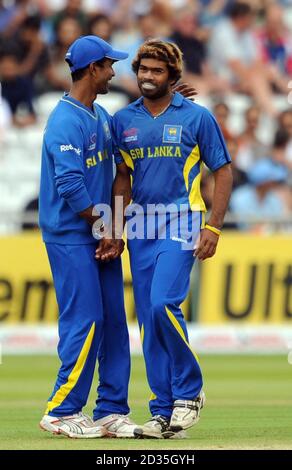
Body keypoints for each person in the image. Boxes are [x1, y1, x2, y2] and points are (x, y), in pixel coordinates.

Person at [96, 39, 233, 439]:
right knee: (149, 323)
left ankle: (189, 393)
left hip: (184, 220)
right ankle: (163, 411)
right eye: (143, 70)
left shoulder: (197, 117)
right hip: (141, 228)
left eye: (157, 71)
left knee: (163, 304)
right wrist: (116, 229)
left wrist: (214, 225)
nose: (147, 77)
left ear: (173, 76)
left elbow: (222, 171)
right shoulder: (124, 120)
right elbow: (123, 178)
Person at [38, 35, 139, 439]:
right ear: (92, 69)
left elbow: (118, 173)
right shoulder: (64, 119)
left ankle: (111, 409)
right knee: (86, 319)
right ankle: (61, 410)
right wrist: (105, 228)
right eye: (109, 65)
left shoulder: (98, 115)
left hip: (101, 234)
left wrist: (113, 229)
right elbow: (70, 185)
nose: (114, 71)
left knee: (114, 320)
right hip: (71, 235)